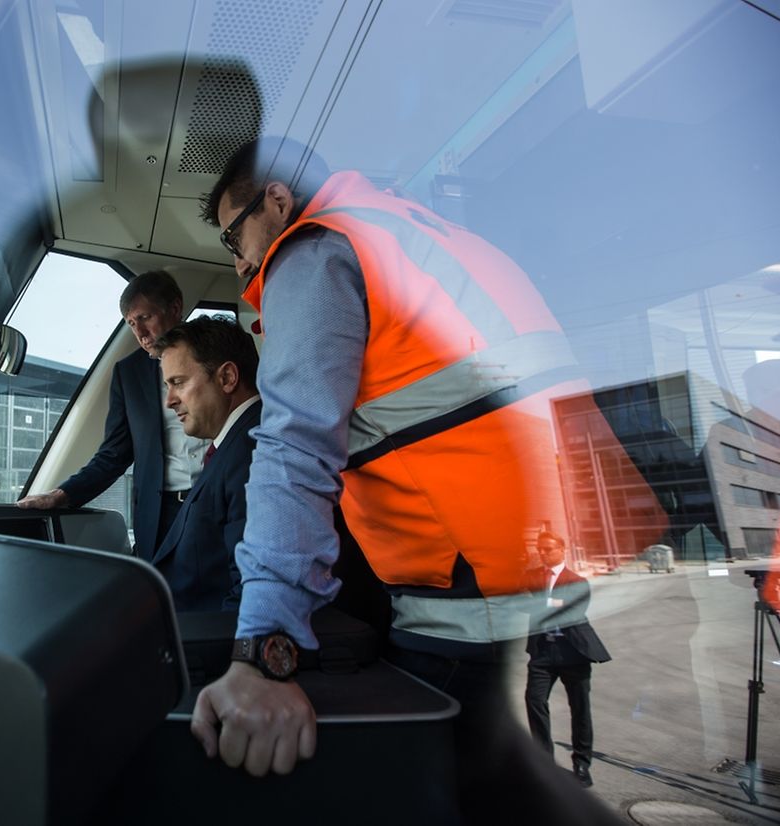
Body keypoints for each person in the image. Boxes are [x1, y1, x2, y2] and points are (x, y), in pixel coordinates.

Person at [190, 137, 659, 823]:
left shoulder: (314, 251)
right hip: (551, 577)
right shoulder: (439, 243)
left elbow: (293, 447)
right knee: (522, 789)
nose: (238, 266)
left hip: (464, 604)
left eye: (235, 236)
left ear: (279, 201)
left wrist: (264, 654)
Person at [17, 271, 207, 558]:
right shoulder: (128, 373)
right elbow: (114, 454)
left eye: (145, 318)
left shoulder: (217, 355)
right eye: (131, 324)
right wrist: (62, 494)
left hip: (222, 497)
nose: (140, 333)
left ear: (176, 308)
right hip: (163, 513)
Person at [150, 316, 261, 611]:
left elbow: (251, 593)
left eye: (178, 383)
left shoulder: (253, 453)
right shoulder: (233, 445)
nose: (169, 401)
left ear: (226, 378)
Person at [524, 530, 610, 787]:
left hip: (573, 651)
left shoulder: (577, 580)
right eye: (540, 549)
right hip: (542, 652)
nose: (543, 553)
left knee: (580, 708)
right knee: (534, 701)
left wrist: (543, 604)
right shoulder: (531, 577)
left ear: (562, 549)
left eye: (548, 549)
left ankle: (582, 765)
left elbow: (574, 610)